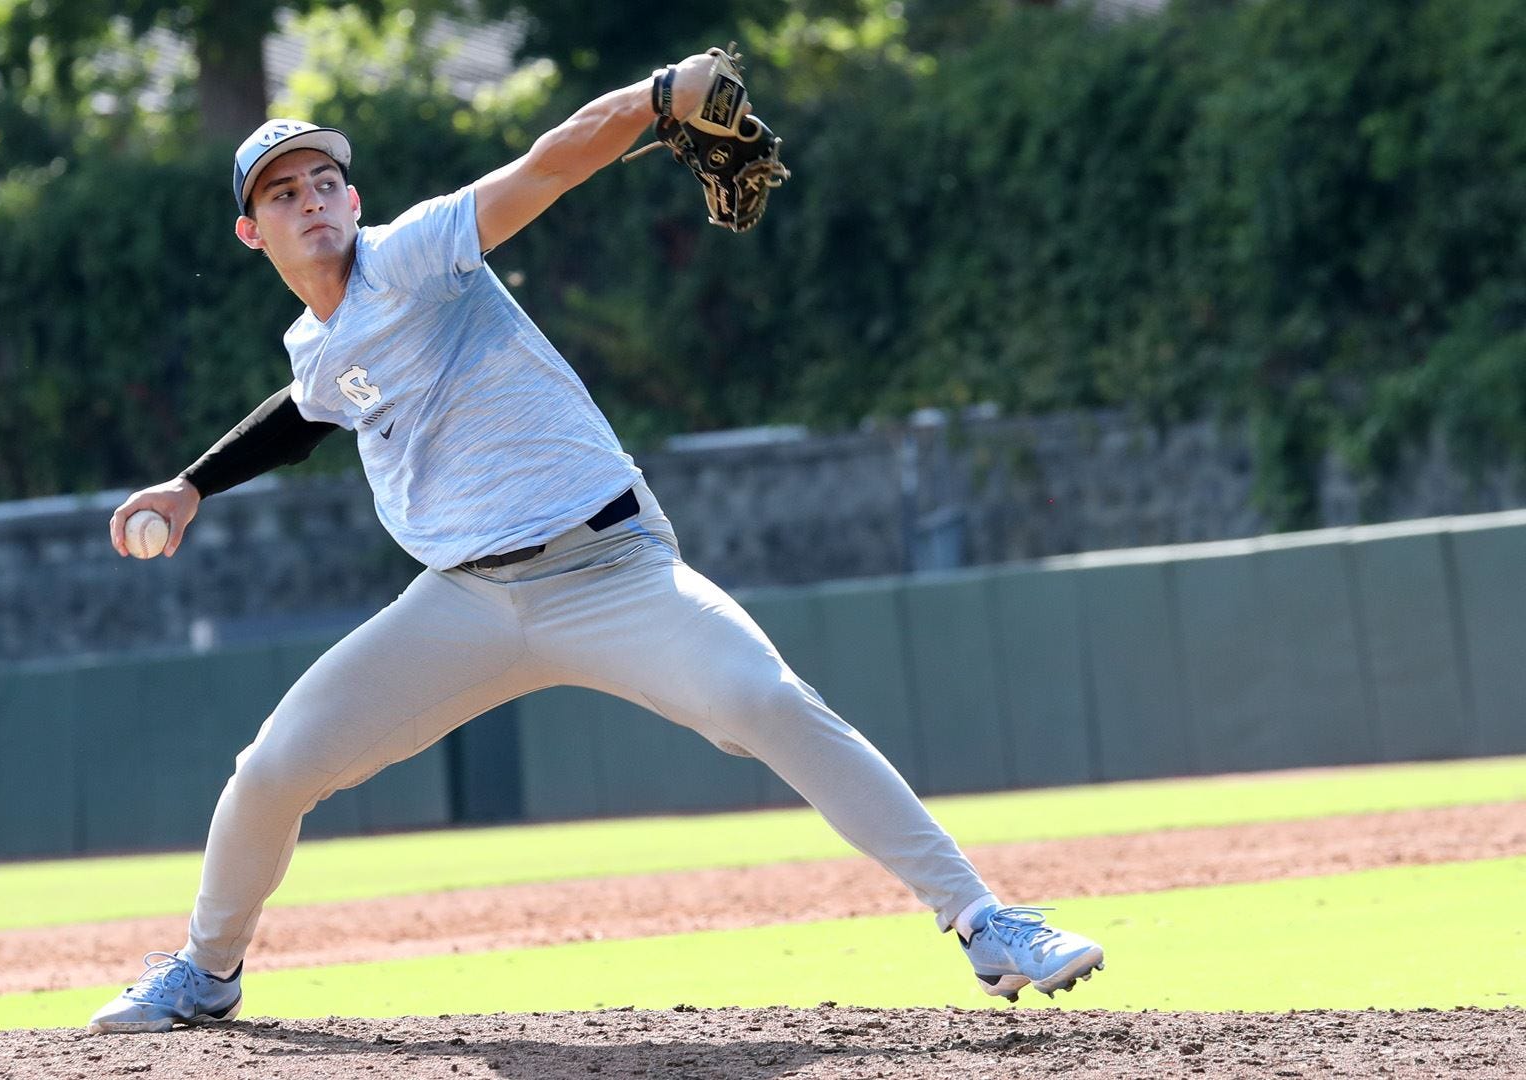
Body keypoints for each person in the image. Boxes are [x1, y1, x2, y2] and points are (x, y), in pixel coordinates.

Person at [88, 50, 1103, 1034]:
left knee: (768, 702)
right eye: (281, 193)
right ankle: (205, 974)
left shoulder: (409, 255)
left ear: (355, 204)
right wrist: (191, 484)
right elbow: (311, 407)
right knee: (271, 770)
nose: (309, 199)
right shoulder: (316, 341)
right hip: (465, 605)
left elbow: (551, 163)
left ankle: (984, 921)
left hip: (611, 572)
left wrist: (659, 97)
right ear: (250, 231)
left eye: (324, 181)